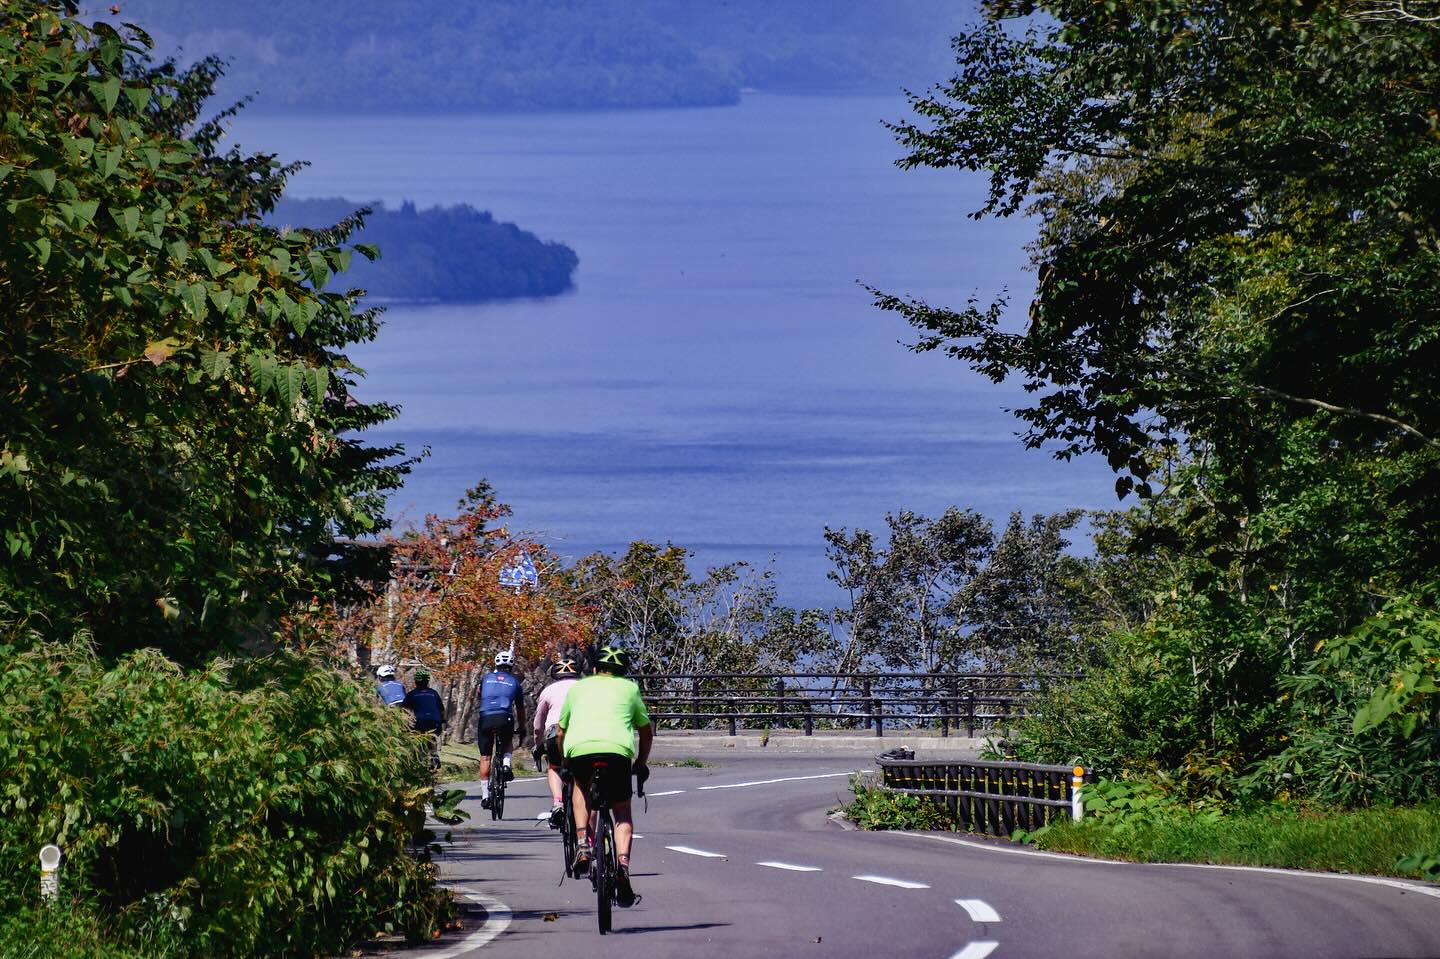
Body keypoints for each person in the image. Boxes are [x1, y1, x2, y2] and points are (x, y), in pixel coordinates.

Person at [555, 645, 651, 908]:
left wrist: (565, 762)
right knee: (621, 813)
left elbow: (561, 731)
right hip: (617, 753)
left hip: (581, 751)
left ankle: (583, 843)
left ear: (595, 669)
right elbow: (645, 732)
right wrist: (640, 763)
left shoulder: (578, 688)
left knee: (580, 789)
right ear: (622, 672)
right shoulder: (630, 689)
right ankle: (622, 866)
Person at [531, 657, 579, 826]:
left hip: (555, 732)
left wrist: (537, 744)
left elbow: (538, 723)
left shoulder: (548, 690)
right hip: (582, 733)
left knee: (554, 767)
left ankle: (558, 802)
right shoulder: (586, 688)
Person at [476, 650, 526, 810]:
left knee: (485, 757)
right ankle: (506, 763)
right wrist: (523, 727)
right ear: (511, 666)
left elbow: (479, 695)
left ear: (496, 664)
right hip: (505, 717)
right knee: (507, 741)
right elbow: (520, 708)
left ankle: (485, 796)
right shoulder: (515, 682)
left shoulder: (485, 678)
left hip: (486, 717)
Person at [403, 668, 446, 770]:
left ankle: (419, 758)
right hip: (434, 722)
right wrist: (443, 720)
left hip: (419, 721)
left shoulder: (412, 694)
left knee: (417, 737)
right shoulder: (434, 693)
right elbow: (441, 710)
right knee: (432, 737)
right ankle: (434, 755)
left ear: (416, 681)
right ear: (427, 681)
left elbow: (403, 708)